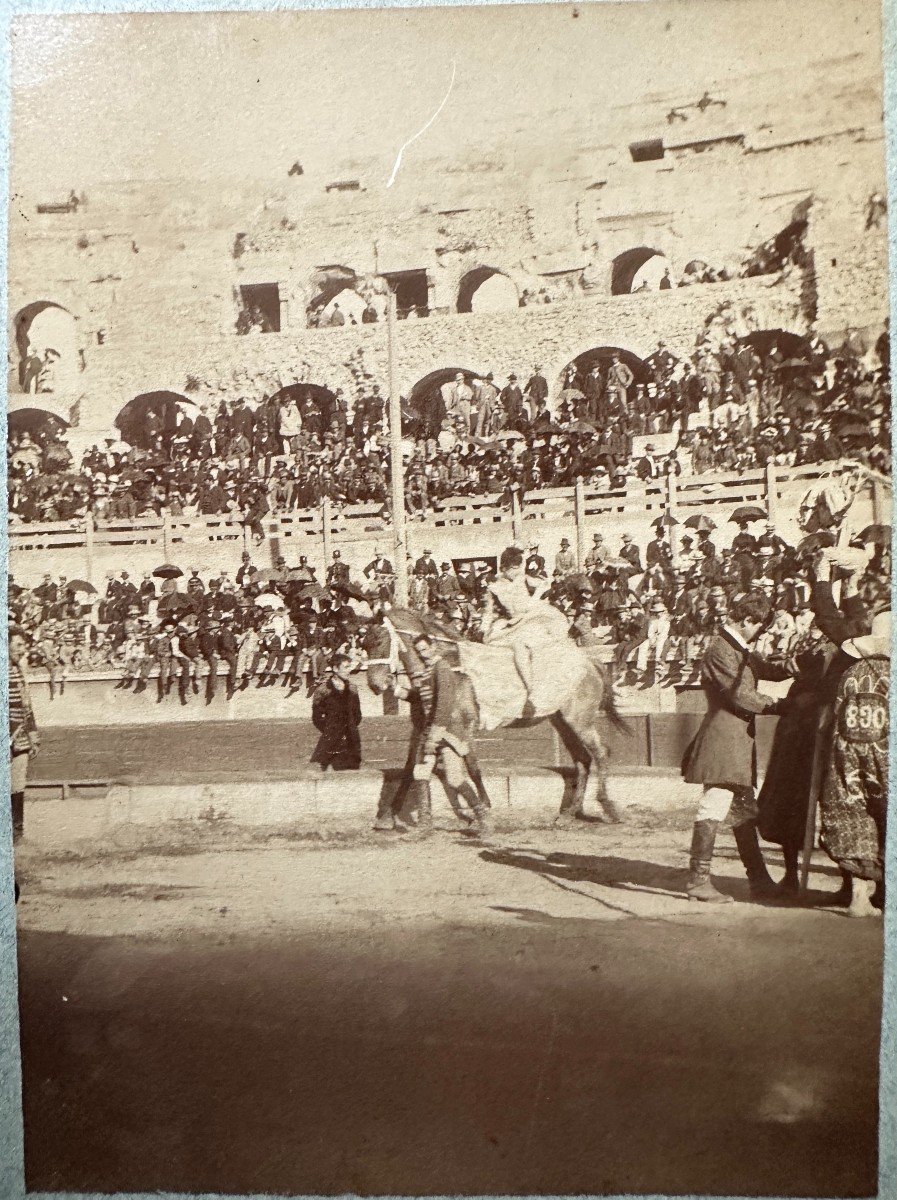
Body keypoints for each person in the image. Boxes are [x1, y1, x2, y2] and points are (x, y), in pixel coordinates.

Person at [681, 593, 789, 903]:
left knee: (743, 811)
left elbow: (770, 670)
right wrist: (782, 706)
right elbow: (741, 695)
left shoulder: (736, 648)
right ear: (746, 621)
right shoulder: (721, 649)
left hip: (734, 741)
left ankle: (759, 880)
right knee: (714, 805)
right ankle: (697, 881)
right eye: (760, 627)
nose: (761, 633)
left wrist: (802, 661)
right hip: (723, 741)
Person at [818, 609, 889, 917]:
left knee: (854, 821)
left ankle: (859, 898)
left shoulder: (850, 673)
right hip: (886, 756)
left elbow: (834, 716)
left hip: (848, 755)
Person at [483, 545, 570, 701]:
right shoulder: (494, 586)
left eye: (518, 568)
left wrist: (533, 600)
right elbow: (488, 611)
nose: (516, 572)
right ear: (503, 568)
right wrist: (485, 628)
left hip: (532, 617)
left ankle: (532, 688)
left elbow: (544, 584)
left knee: (520, 645)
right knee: (490, 644)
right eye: (512, 569)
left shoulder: (522, 578)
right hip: (512, 621)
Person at [9, 627, 39, 885]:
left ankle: (18, 835)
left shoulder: (20, 671)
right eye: (17, 644)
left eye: (22, 644)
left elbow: (27, 706)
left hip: (19, 738)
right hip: (6, 738)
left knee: (18, 786)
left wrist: (33, 734)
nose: (21, 648)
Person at [310, 655, 362, 771]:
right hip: (330, 740)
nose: (349, 670)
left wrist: (350, 727)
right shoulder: (323, 690)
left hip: (351, 740)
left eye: (350, 667)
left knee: (352, 775)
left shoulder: (353, 689)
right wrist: (331, 730)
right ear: (335, 668)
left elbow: (357, 715)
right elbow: (317, 718)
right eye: (346, 667)